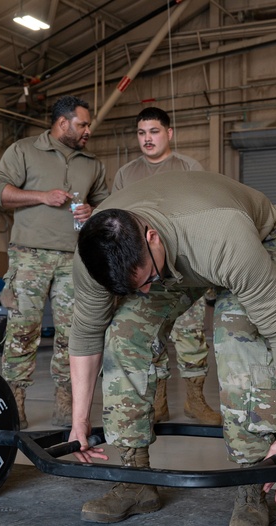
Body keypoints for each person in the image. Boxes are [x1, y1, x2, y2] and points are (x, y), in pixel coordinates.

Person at [67, 170, 276, 526]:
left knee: (237, 337)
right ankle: (135, 479)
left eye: (144, 281)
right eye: (132, 287)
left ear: (152, 238)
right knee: (125, 331)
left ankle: (252, 481)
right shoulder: (94, 255)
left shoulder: (224, 238)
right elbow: (86, 334)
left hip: (248, 237)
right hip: (176, 257)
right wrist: (78, 420)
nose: (144, 293)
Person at [0, 95, 109, 429]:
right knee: (22, 330)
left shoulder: (92, 163)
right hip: (29, 255)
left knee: (73, 334)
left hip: (75, 259)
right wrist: (41, 196)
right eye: (82, 124)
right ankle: (14, 404)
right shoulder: (24, 150)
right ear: (62, 123)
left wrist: (93, 211)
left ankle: (66, 406)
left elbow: (107, 205)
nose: (87, 130)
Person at [112, 106, 220, 426]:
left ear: (169, 133)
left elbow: (201, 212)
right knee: (151, 333)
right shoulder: (126, 174)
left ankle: (195, 402)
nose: (148, 139)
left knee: (190, 333)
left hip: (182, 265)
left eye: (154, 132)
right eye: (142, 133)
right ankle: (158, 402)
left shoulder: (188, 167)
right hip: (144, 268)